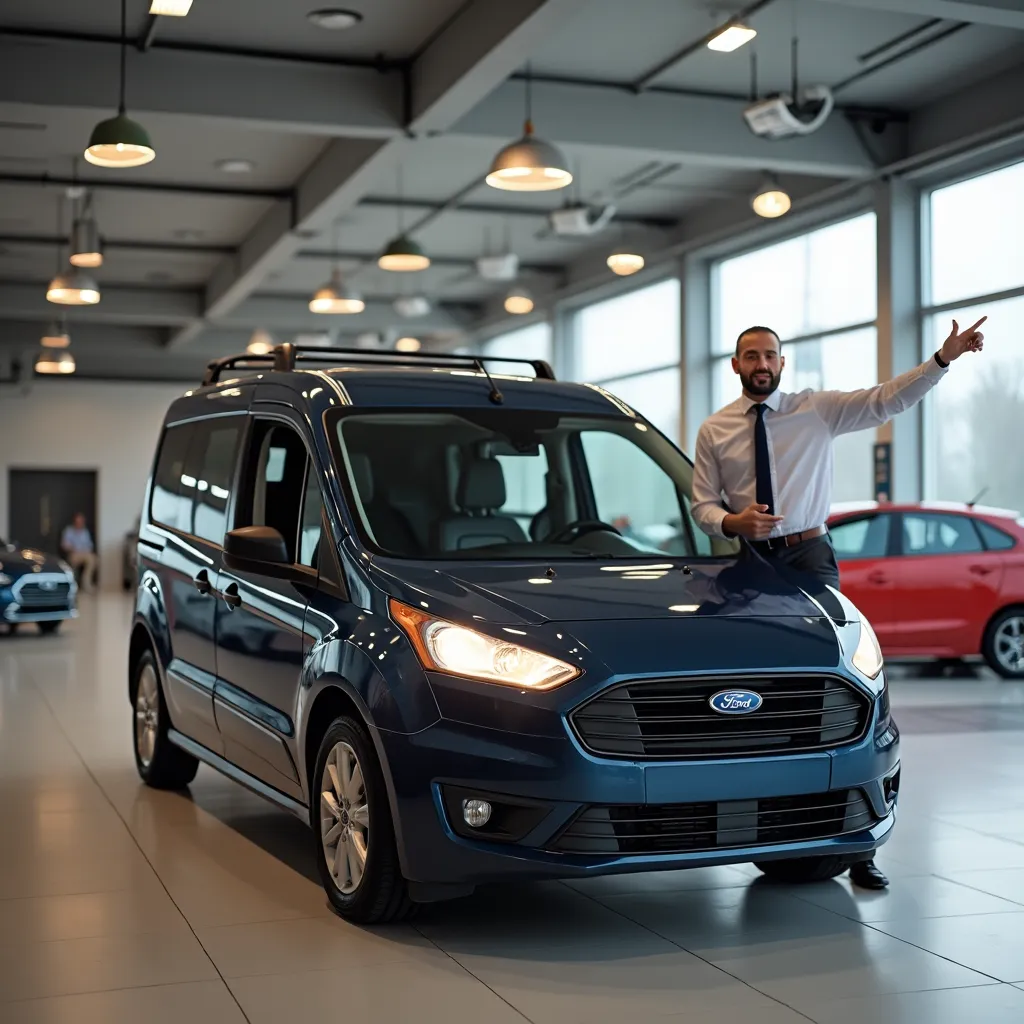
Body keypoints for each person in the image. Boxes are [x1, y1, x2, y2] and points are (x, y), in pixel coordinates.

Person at [691, 317, 987, 890]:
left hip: (809, 559)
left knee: (832, 692)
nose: (760, 364)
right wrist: (733, 520)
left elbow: (885, 401)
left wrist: (941, 359)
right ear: (735, 365)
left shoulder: (816, 410)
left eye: (769, 355)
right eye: (750, 355)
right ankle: (755, 823)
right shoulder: (714, 430)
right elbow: (702, 504)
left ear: (782, 363)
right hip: (747, 567)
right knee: (758, 701)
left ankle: (856, 847)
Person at [61, 513, 99, 593]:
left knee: (93, 559)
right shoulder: (69, 531)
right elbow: (64, 545)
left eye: (81, 521)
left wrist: (86, 550)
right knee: (73, 561)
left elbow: (89, 545)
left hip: (84, 553)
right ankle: (73, 584)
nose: (79, 523)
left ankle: (86, 583)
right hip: (74, 553)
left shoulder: (85, 532)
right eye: (78, 521)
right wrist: (72, 548)